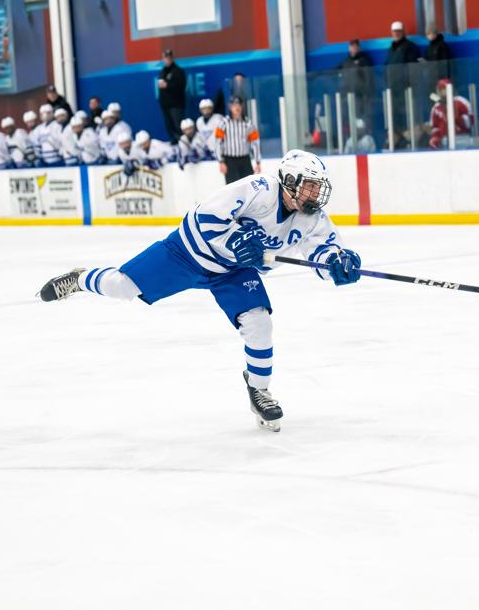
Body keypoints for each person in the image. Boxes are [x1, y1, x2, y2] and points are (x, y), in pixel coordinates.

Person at [37, 149, 362, 431]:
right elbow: (205, 216)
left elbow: (324, 252)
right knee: (122, 286)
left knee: (259, 322)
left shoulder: (312, 219)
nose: (315, 194)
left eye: (318, 187)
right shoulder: (258, 188)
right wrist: (235, 240)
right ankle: (80, 279)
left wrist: (338, 262)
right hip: (186, 254)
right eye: (310, 185)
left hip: (232, 271)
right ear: (289, 180)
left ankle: (259, 390)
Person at [386, 20, 421, 136]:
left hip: (407, 89)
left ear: (402, 32)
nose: (396, 34)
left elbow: (413, 69)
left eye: (398, 31)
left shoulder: (410, 47)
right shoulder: (391, 49)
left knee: (409, 116)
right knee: (395, 118)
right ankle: (398, 138)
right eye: (394, 31)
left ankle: (410, 139)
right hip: (393, 90)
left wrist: (410, 86)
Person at [215, 96, 261, 183]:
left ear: (242, 106)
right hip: (230, 161)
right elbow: (218, 143)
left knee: (248, 185)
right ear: (230, 107)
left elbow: (255, 143)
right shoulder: (224, 123)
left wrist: (257, 162)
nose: (237, 107)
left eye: (239, 105)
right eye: (234, 105)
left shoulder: (248, 123)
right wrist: (221, 161)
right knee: (232, 187)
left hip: (245, 160)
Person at [428, 78, 472, 149]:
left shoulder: (461, 102)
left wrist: (457, 118)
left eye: (444, 88)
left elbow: (470, 122)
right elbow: (435, 127)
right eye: (440, 89)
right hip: (444, 140)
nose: (441, 91)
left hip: (462, 138)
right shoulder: (436, 107)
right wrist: (435, 137)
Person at [338, 39, 374, 124]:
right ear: (349, 48)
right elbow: (337, 71)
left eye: (355, 46)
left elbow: (369, 78)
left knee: (360, 119)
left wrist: (367, 94)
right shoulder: (346, 62)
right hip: (348, 96)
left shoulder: (364, 61)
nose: (354, 48)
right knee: (349, 119)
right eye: (352, 46)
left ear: (359, 48)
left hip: (360, 96)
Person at [157, 49, 187, 144]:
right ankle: (174, 143)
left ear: (172, 58)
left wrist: (167, 85)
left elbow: (181, 86)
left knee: (178, 125)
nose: (167, 60)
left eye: (169, 58)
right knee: (169, 126)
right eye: (165, 58)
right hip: (165, 105)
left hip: (176, 105)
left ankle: (183, 144)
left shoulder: (178, 71)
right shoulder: (162, 72)